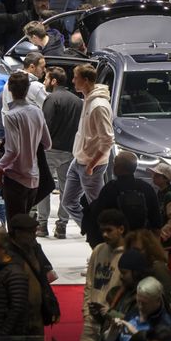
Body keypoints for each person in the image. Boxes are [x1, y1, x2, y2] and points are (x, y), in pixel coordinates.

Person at [0, 71, 52, 224]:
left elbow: (13, 151)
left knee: (14, 228)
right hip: (34, 177)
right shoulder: (37, 112)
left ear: (9, 90)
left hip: (16, 178)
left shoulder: (11, 115)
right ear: (27, 89)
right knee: (24, 227)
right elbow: (47, 144)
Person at [63, 64, 114, 232]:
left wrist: (92, 165)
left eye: (75, 77)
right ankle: (91, 230)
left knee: (98, 207)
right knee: (68, 202)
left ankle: (100, 237)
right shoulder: (87, 99)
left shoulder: (98, 106)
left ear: (85, 80)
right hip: (79, 160)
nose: (72, 81)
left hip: (91, 165)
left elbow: (107, 140)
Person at [37, 66, 83, 239]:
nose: (44, 82)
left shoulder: (51, 99)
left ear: (54, 81)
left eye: (46, 78)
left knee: (44, 187)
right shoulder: (78, 101)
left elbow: (45, 125)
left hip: (50, 150)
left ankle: (42, 224)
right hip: (70, 150)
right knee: (66, 189)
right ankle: (62, 226)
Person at [82, 151, 162, 247]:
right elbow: (156, 221)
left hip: (115, 244)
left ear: (118, 167)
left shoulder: (110, 189)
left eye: (115, 163)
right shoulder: (146, 188)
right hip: (141, 243)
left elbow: (98, 217)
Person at [80, 209, 125, 341]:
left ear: (121, 229)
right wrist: (86, 311)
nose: (105, 234)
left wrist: (111, 314)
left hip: (113, 319)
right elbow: (89, 283)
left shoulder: (127, 255)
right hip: (91, 317)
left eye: (109, 230)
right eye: (102, 230)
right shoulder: (98, 250)